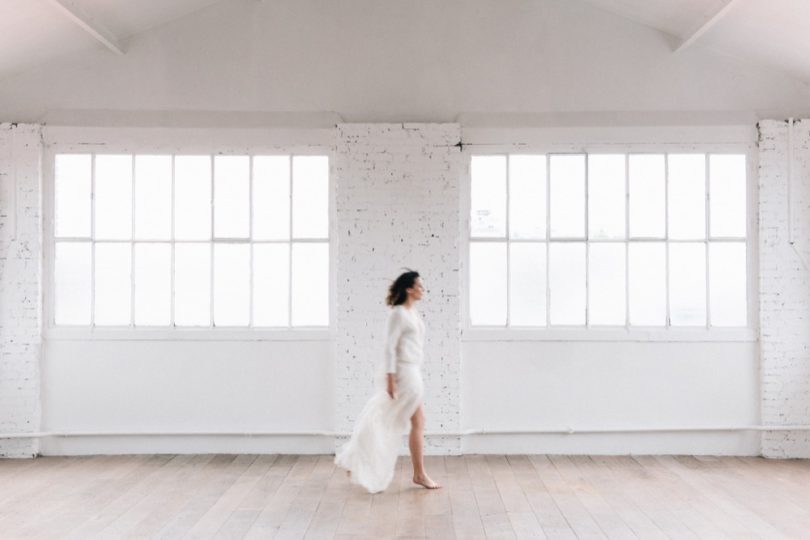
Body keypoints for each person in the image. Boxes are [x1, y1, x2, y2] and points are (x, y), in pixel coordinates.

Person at [334, 270, 441, 493]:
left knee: (414, 420)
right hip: (404, 374)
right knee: (388, 419)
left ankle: (416, 472)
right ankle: (362, 460)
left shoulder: (413, 313)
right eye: (419, 286)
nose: (423, 289)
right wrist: (391, 379)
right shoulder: (398, 314)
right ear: (409, 288)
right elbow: (389, 348)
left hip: (413, 370)